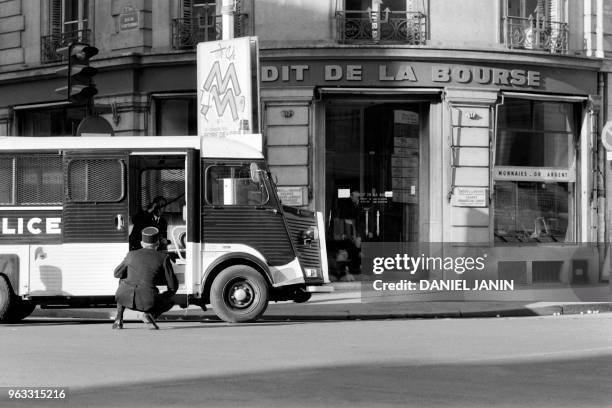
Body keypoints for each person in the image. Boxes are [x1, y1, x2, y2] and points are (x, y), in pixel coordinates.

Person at [112, 226, 179, 330]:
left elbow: (117, 273)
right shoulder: (163, 258)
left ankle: (118, 319)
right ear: (157, 244)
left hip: (123, 298)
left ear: (142, 244)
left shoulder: (131, 255)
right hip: (147, 302)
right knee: (170, 302)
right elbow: (173, 286)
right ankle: (151, 315)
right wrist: (163, 295)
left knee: (122, 281)